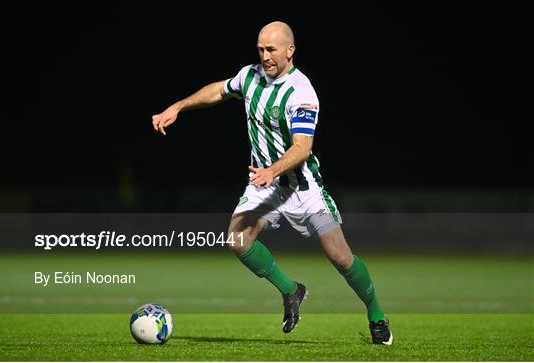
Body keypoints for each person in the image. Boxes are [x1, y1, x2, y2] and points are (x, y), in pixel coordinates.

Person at [151, 21, 393, 345]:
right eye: (261, 49)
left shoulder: (302, 91)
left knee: (340, 257)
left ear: (290, 50)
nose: (265, 56)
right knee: (237, 239)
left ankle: (376, 315)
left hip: (302, 188)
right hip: (265, 185)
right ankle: (291, 291)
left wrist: (273, 171)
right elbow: (219, 91)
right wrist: (179, 106)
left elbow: (302, 147)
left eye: (272, 50)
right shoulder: (249, 76)